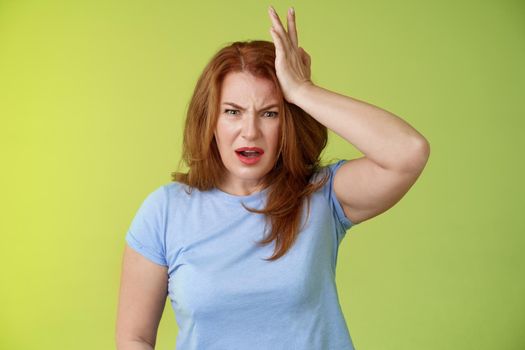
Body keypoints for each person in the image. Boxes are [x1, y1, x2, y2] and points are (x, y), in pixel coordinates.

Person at [116, 6, 430, 350]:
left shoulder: (321, 195)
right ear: (211, 120)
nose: (249, 132)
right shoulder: (165, 210)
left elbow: (408, 152)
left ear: (287, 122)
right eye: (233, 112)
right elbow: (135, 338)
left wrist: (303, 90)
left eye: (269, 113)